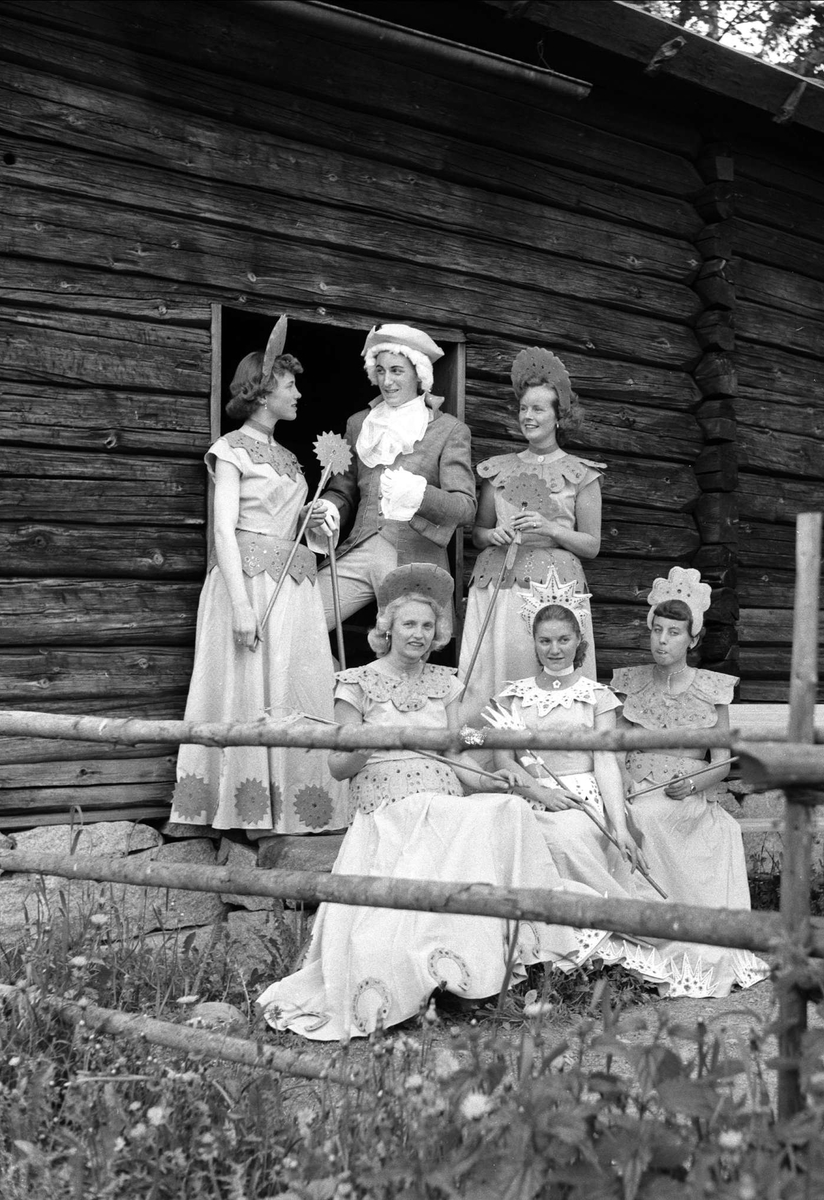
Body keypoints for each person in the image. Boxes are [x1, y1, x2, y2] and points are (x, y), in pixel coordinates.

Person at [257, 564, 583, 1041]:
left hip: (442, 800)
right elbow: (337, 768)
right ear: (387, 629)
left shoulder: (445, 684)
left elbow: (455, 756)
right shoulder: (356, 683)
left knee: (508, 811)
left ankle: (506, 962)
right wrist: (360, 747)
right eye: (408, 624)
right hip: (389, 808)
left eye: (427, 626)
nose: (419, 634)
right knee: (460, 817)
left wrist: (505, 782)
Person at [487, 586, 740, 997]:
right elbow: (504, 759)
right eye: (546, 641)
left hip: (582, 796)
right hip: (531, 796)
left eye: (564, 640)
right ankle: (527, 949)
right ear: (533, 643)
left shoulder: (596, 696)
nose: (555, 649)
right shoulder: (512, 695)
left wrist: (618, 820)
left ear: (579, 642)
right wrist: (540, 792)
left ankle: (605, 931)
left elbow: (607, 760)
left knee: (569, 835)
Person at [170, 318, 349, 836]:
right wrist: (242, 606)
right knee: (249, 689)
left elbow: (291, 528)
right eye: (291, 385)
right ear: (264, 390)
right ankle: (246, 811)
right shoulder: (230, 449)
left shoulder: (293, 460)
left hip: (294, 587)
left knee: (296, 685)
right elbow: (224, 530)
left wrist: (314, 523)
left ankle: (300, 807)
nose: (299, 394)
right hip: (247, 583)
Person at [611, 567, 768, 995]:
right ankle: (652, 938)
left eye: (674, 633)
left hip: (686, 793)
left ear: (692, 640)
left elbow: (721, 762)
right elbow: (616, 748)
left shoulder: (712, 690)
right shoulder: (630, 684)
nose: (662, 640)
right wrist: (622, 780)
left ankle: (696, 937)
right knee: (641, 816)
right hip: (636, 789)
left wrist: (697, 784)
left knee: (697, 824)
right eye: (657, 630)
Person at [459, 347, 603, 727]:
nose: (529, 416)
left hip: (553, 591)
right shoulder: (497, 471)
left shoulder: (582, 474)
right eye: (524, 408)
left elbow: (592, 544)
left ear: (559, 417)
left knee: (537, 670)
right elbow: (477, 533)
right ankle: (479, 754)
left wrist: (551, 528)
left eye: (539, 409)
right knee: (489, 674)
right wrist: (494, 533)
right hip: (497, 584)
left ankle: (555, 759)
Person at [316, 324, 475, 633]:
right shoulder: (359, 423)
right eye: (380, 371)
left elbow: (465, 507)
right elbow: (343, 490)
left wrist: (421, 493)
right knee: (300, 619)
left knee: (408, 647)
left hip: (416, 559)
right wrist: (328, 508)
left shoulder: (449, 430)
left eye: (397, 370)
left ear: (419, 374)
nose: (386, 381)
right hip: (360, 549)